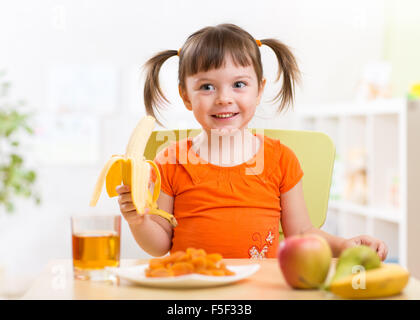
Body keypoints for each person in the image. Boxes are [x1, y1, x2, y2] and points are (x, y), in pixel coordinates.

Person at [116, 23, 388, 260]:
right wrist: (138, 220)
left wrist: (344, 245)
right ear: (186, 96)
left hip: (260, 288)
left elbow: (301, 234)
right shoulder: (170, 160)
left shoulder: (281, 159)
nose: (224, 98)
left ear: (259, 90)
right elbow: (160, 244)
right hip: (192, 284)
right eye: (207, 87)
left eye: (239, 84)